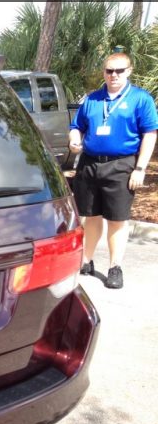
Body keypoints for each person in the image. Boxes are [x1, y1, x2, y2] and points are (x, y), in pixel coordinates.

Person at [69, 52, 158, 289]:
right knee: (90, 215)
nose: (114, 75)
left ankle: (114, 267)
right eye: (109, 70)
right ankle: (86, 261)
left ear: (129, 71)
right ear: (104, 72)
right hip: (89, 164)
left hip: (121, 165)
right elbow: (76, 126)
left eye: (119, 70)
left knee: (117, 219)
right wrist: (74, 140)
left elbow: (150, 134)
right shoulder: (92, 99)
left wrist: (140, 168)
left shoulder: (140, 99)